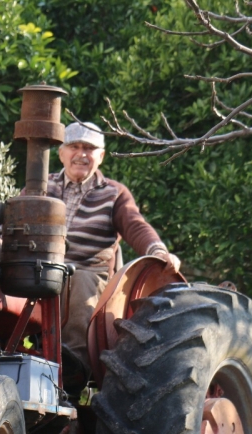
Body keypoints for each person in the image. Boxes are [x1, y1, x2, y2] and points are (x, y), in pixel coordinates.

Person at [44, 121, 180, 371]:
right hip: (40, 272)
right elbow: (14, 219)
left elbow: (135, 225)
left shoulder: (113, 193)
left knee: (80, 281)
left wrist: (157, 250)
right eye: (74, 146)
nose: (81, 154)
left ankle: (73, 367)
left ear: (101, 156)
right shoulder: (42, 187)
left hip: (87, 277)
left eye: (89, 148)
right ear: (61, 152)